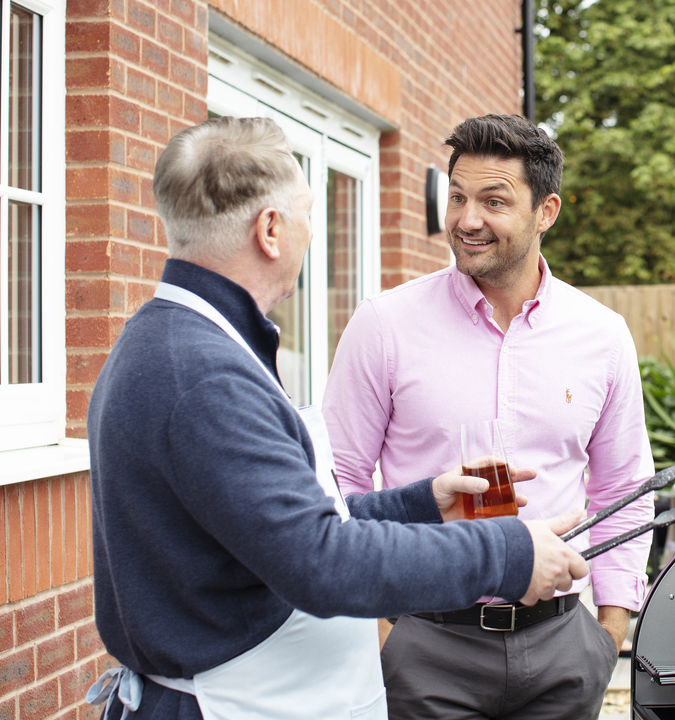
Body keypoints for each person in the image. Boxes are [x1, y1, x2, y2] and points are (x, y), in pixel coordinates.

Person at [85, 117, 588, 720]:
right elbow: (319, 560)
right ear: (271, 230)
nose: (310, 230)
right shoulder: (202, 375)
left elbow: (274, 521)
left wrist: (419, 502)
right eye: (305, 212)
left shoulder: (181, 342)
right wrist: (507, 555)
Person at [323, 114, 654, 720]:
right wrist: (379, 631)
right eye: (457, 197)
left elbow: (624, 490)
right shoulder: (385, 324)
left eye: (493, 201)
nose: (467, 220)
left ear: (546, 212)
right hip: (423, 642)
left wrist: (608, 633)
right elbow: (336, 483)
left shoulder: (602, 335)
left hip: (562, 647)